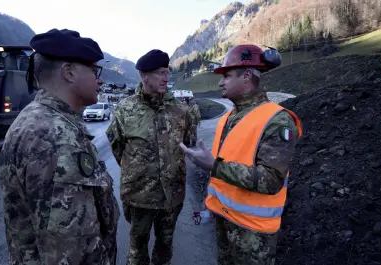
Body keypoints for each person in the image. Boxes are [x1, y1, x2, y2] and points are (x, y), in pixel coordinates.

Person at [0, 28, 120, 265]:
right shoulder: (56, 138)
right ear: (69, 72)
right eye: (95, 70)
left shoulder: (38, 119)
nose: (100, 79)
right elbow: (72, 252)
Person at [179, 44, 303, 265]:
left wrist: (214, 166)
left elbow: (271, 180)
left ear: (246, 75)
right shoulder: (230, 117)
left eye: (226, 76)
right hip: (225, 221)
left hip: (253, 234)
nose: (220, 82)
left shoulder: (277, 120)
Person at [106, 49, 192, 265]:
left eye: (167, 72)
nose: (166, 78)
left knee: (165, 248)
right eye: (159, 73)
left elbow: (187, 144)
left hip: (172, 195)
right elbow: (118, 148)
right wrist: (138, 171)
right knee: (137, 251)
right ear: (144, 76)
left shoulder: (180, 111)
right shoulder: (124, 110)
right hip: (139, 196)